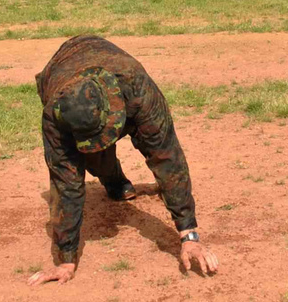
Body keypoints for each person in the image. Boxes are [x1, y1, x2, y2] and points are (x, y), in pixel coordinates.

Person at [28, 35, 217, 285]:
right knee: (91, 155)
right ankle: (115, 182)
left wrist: (189, 235)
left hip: (120, 77)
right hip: (60, 66)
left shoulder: (137, 88)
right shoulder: (56, 112)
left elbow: (166, 156)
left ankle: (117, 181)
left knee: (158, 150)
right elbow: (66, 182)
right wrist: (66, 258)